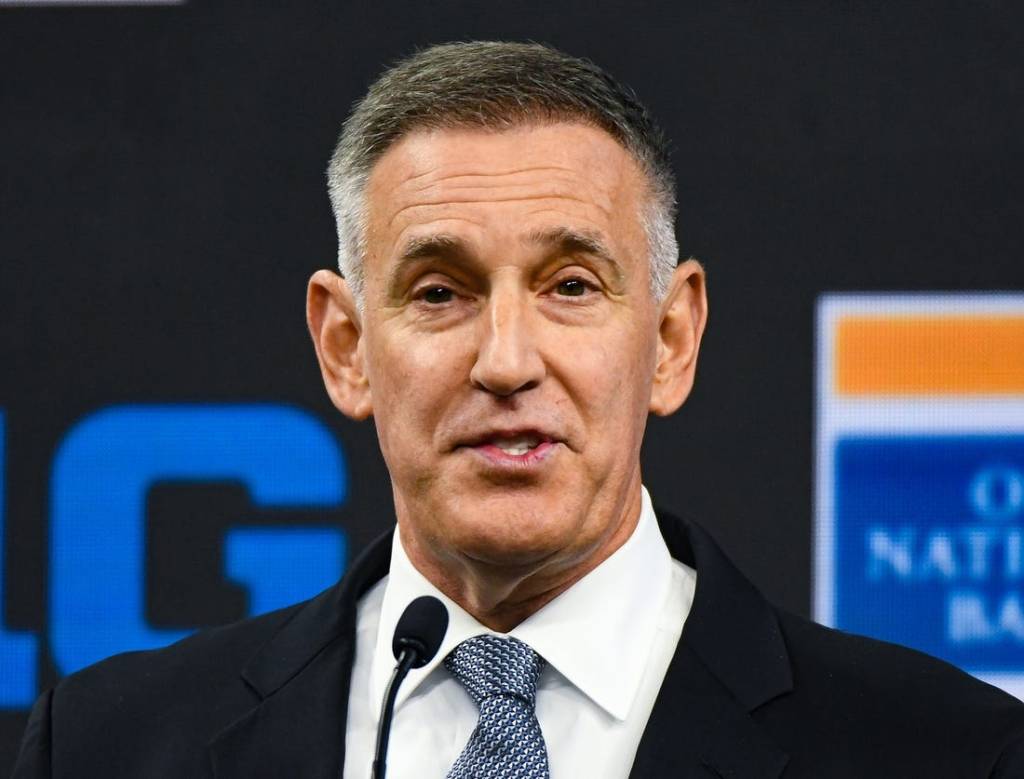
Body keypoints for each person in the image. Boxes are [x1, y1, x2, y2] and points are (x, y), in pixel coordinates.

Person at [13, 41, 1024, 779]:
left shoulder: (947, 752)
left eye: (571, 285)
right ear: (346, 345)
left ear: (670, 340)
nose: (505, 361)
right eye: (441, 291)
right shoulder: (108, 746)